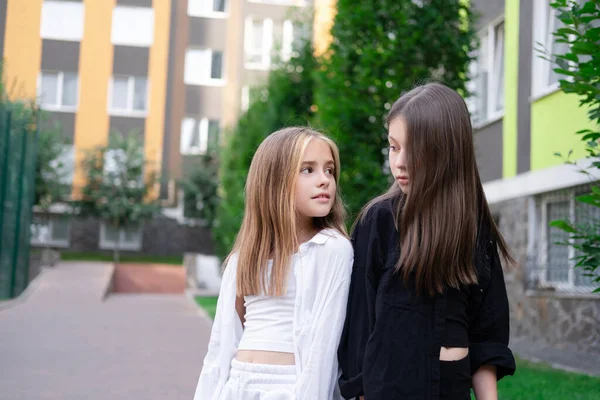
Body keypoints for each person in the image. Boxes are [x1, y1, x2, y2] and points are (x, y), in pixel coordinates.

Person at [337, 83, 516, 400]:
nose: (400, 162)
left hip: (451, 389)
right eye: (394, 147)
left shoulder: (473, 227)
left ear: (447, 150)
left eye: (414, 149)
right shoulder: (378, 221)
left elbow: (487, 335)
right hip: (388, 388)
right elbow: (358, 325)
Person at [194, 127, 354, 400]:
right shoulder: (243, 257)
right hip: (237, 385)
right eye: (308, 170)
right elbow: (220, 343)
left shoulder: (331, 249)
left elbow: (323, 349)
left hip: (289, 387)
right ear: (274, 181)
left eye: (329, 170)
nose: (324, 180)